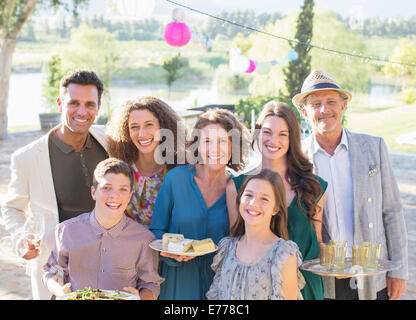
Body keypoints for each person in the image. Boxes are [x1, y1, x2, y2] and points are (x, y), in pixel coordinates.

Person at [293, 70, 408, 300]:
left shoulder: (373, 148)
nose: (325, 110)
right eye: (316, 104)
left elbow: (392, 212)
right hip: (320, 280)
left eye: (331, 102)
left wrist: (399, 269)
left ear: (343, 106)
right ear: (305, 112)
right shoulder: (297, 159)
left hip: (369, 276)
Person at [1, 69, 108, 300]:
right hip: (57, 274)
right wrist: (22, 237)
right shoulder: (27, 157)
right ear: (60, 103)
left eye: (90, 104)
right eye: (74, 103)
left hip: (107, 267)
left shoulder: (109, 140)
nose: (82, 111)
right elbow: (11, 208)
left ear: (98, 108)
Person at [226, 101, 327, 300]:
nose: (274, 140)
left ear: (292, 139)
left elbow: (317, 243)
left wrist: (346, 262)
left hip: (306, 289)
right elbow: (234, 243)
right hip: (255, 290)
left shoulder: (313, 187)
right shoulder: (236, 187)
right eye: (267, 132)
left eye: (283, 134)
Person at [149, 108, 250, 300]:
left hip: (222, 287)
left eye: (222, 141)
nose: (215, 149)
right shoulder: (174, 180)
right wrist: (172, 253)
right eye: (207, 142)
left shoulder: (240, 188)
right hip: (178, 285)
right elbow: (156, 231)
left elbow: (244, 241)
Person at [42, 158, 164, 300]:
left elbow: (150, 284)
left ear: (130, 195)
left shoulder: (143, 239)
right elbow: (52, 272)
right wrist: (61, 292)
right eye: (106, 188)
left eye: (123, 189)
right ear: (94, 192)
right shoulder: (66, 231)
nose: (114, 196)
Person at [207, 169, 303, 300]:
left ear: (276, 208)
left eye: (264, 198)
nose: (253, 204)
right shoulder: (226, 249)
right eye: (249, 195)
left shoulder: (283, 254)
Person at [106, 96, 185, 227]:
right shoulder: (119, 169)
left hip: (167, 245)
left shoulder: (179, 170)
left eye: (149, 125)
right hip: (126, 244)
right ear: (126, 131)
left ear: (163, 126)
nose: (141, 134)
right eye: (134, 127)